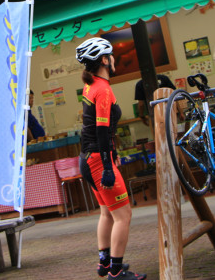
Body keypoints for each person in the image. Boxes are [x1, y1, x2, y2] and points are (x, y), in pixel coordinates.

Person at [76, 37, 146, 280]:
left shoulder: (91, 85)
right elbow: (102, 130)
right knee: (123, 215)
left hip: (87, 158)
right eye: (111, 55)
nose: (114, 59)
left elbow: (90, 128)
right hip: (97, 160)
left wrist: (109, 156)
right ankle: (116, 271)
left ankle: (105, 264)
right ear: (105, 60)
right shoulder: (103, 90)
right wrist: (107, 164)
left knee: (107, 212)